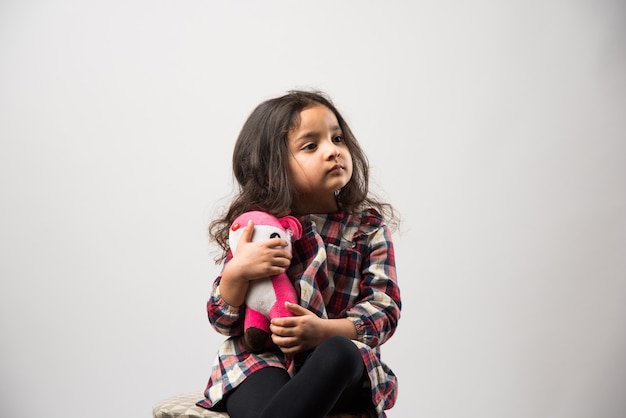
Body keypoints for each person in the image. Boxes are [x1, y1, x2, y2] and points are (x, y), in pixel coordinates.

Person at [197, 90, 402, 418]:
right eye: (311, 145)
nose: (333, 150)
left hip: (335, 368)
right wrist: (239, 271)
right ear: (272, 167)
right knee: (257, 381)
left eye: (337, 138)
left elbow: (384, 310)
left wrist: (324, 331)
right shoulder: (260, 228)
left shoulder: (368, 229)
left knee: (339, 353)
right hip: (262, 360)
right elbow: (222, 319)